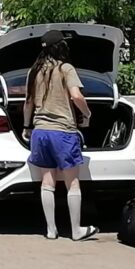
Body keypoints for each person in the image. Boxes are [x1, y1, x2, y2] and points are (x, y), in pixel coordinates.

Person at [22, 30, 98, 241]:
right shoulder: (66, 69)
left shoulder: (33, 71)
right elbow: (76, 95)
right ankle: (76, 230)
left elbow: (28, 103)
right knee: (72, 182)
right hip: (63, 131)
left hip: (40, 131)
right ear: (60, 47)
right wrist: (87, 113)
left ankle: (50, 230)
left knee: (47, 182)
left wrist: (27, 126)